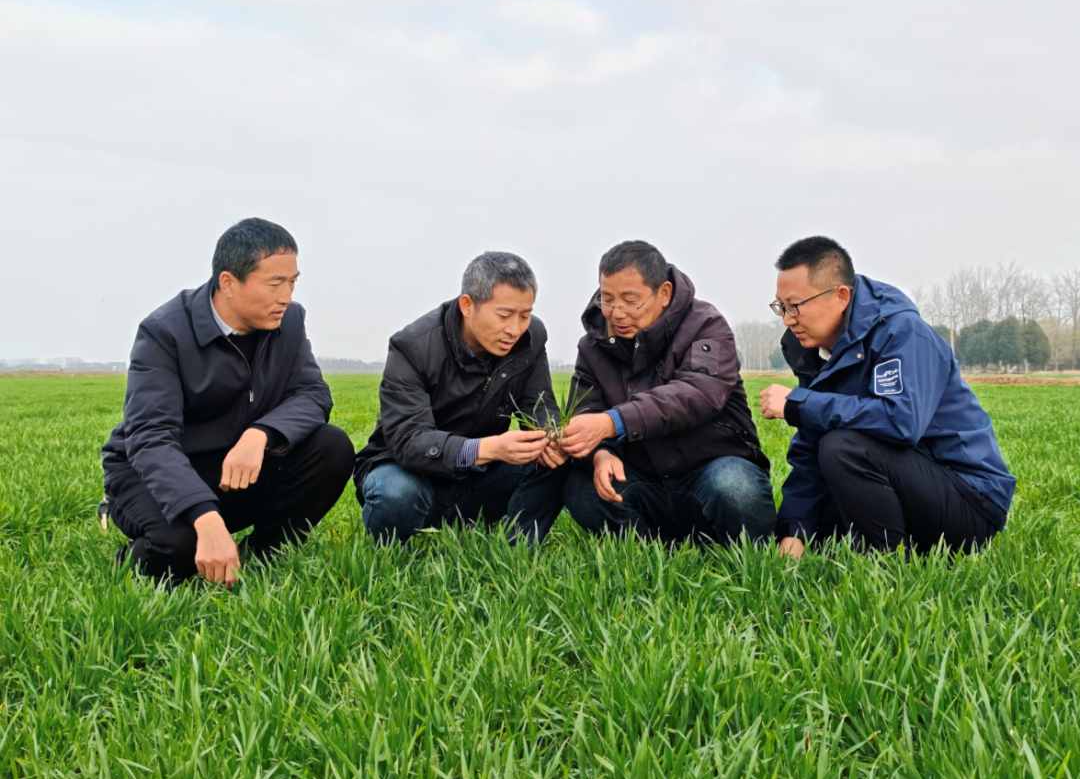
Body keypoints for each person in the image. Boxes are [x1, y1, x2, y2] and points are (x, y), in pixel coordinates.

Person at [101, 218, 354, 586]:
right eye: (274, 284)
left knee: (332, 446)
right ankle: (133, 560)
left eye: (293, 282)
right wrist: (203, 516)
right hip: (156, 473)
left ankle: (261, 554)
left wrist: (261, 434)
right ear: (228, 283)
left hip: (237, 466)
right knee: (182, 547)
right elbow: (151, 437)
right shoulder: (164, 332)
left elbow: (312, 393)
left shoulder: (289, 322)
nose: (287, 297)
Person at [759, 236, 1015, 556]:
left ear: (840, 296)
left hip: (970, 500)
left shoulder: (903, 333)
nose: (787, 319)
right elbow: (811, 445)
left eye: (795, 305)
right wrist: (794, 531)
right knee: (817, 525)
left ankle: (883, 564)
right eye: (781, 307)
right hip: (905, 482)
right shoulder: (815, 351)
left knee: (842, 447)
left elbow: (901, 422)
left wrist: (802, 404)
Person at [559, 240, 775, 545]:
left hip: (711, 467)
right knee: (582, 486)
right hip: (642, 479)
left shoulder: (706, 326)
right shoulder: (593, 346)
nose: (616, 313)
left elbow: (696, 392)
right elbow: (586, 411)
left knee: (734, 487)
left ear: (663, 293)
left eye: (630, 300)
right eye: (607, 299)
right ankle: (653, 551)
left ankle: (736, 546)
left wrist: (613, 421)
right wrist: (600, 454)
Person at [354, 252, 569, 546]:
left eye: (525, 315)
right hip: (409, 473)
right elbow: (409, 440)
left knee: (558, 460)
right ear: (467, 305)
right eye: (504, 315)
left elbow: (539, 406)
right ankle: (390, 553)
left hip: (479, 477)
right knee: (395, 492)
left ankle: (517, 553)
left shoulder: (531, 337)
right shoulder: (412, 346)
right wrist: (487, 448)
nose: (515, 329)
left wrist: (551, 436)